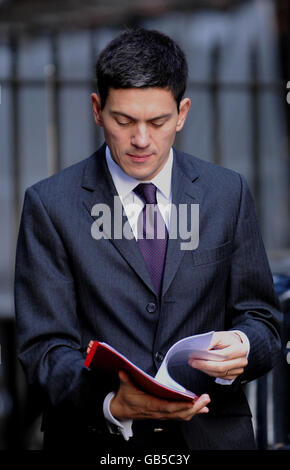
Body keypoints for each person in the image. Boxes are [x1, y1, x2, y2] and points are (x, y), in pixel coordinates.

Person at [15, 28, 281, 452]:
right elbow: (42, 349)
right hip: (96, 441)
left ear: (182, 113)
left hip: (213, 438)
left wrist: (244, 345)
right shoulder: (50, 205)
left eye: (157, 122)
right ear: (97, 110)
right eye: (124, 121)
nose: (141, 140)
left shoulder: (227, 193)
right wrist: (109, 404)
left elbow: (264, 320)